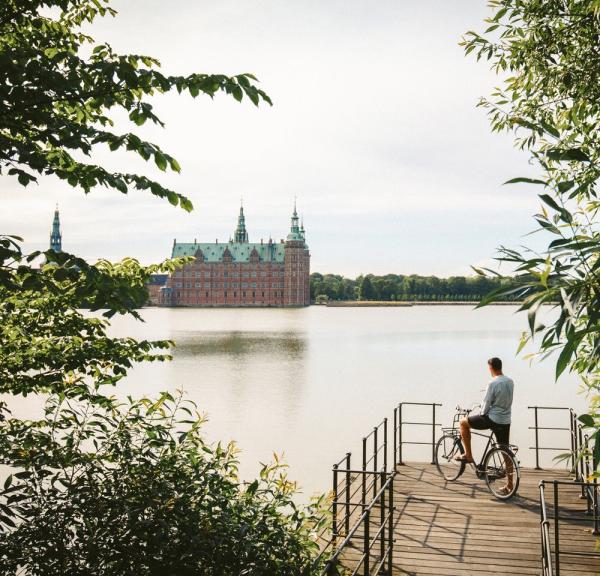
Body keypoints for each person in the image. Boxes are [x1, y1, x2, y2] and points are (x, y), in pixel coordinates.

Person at [456, 357, 515, 493]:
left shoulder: (492, 383)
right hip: (505, 420)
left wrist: (481, 411)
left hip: (492, 419)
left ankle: (468, 454)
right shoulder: (510, 381)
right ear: (501, 366)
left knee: (463, 422)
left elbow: (487, 403)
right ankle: (510, 485)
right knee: (505, 451)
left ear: (490, 368)